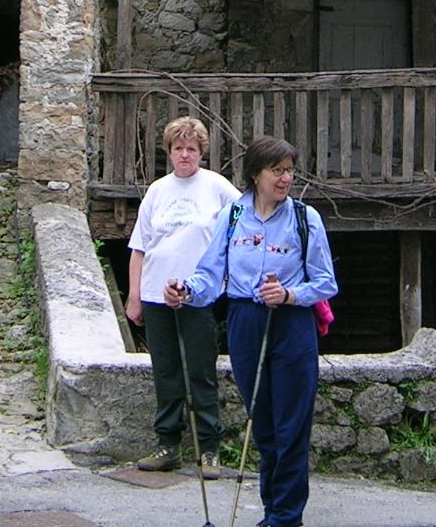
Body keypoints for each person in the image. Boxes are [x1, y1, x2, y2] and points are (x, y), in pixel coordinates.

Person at [165, 135, 338, 527]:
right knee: (261, 424)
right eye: (277, 171)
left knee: (291, 425)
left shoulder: (303, 218)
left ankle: (285, 518)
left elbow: (326, 283)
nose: (286, 179)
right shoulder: (233, 216)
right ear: (256, 174)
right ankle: (270, 510)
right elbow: (210, 275)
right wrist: (185, 290)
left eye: (290, 171)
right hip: (246, 320)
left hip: (291, 323)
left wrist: (290, 293)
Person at [125, 116, 240, 477]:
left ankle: (209, 449)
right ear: (169, 152)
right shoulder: (158, 191)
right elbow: (140, 247)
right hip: (156, 293)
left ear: (201, 152)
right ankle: (167, 444)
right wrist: (134, 296)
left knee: (202, 371)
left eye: (192, 148)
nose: (185, 154)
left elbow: (242, 227)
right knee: (166, 372)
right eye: (179, 148)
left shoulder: (217, 188)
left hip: (199, 296)